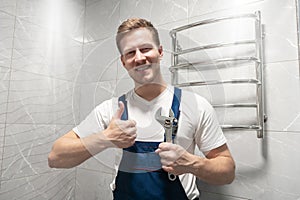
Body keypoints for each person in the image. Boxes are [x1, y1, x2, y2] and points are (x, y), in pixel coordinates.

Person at [48, 18, 235, 200]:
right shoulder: (111, 109)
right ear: (123, 61)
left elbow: (227, 172)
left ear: (160, 52)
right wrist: (104, 138)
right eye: (130, 53)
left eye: (145, 49)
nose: (139, 58)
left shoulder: (196, 105)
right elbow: (55, 157)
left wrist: (192, 164)